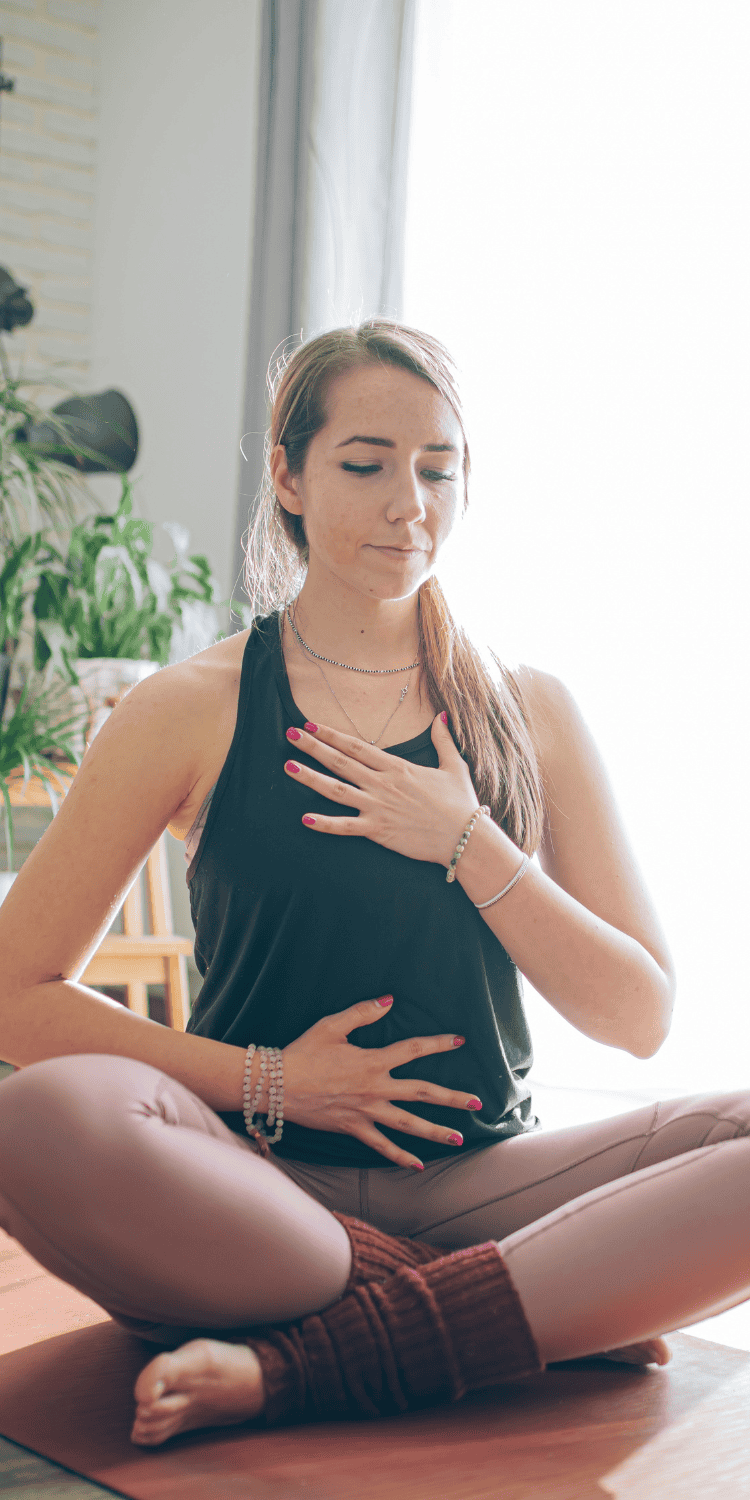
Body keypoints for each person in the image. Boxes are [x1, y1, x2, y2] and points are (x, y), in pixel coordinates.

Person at [0, 319, 749, 1449]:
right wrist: (275, 1084)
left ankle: (316, 1359)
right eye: (366, 465)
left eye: (439, 470)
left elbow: (637, 1015)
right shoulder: (190, 708)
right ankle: (522, 1306)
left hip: (480, 1180)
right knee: (36, 1117)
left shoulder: (530, 710)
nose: (413, 504)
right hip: (252, 1185)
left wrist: (468, 843)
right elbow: (17, 988)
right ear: (289, 475)